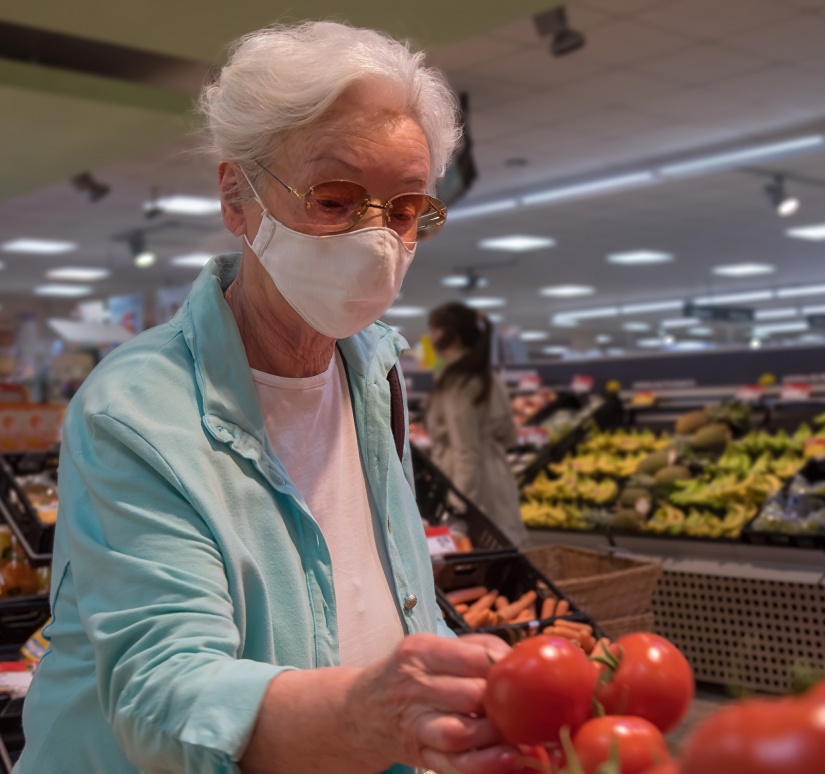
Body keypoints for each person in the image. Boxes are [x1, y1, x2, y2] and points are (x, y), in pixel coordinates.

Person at [17, 21, 520, 774]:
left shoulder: (374, 373)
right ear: (236, 197)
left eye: (407, 209)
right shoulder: (136, 413)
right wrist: (377, 716)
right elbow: (166, 699)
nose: (377, 243)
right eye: (334, 200)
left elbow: (371, 588)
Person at [426, 303, 528, 545]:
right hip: (497, 476)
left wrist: (458, 507)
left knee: (475, 557)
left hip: (469, 484)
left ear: (451, 334)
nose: (430, 338)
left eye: (435, 330)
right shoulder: (490, 378)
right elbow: (509, 436)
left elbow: (466, 451)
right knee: (507, 550)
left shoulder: (457, 383)